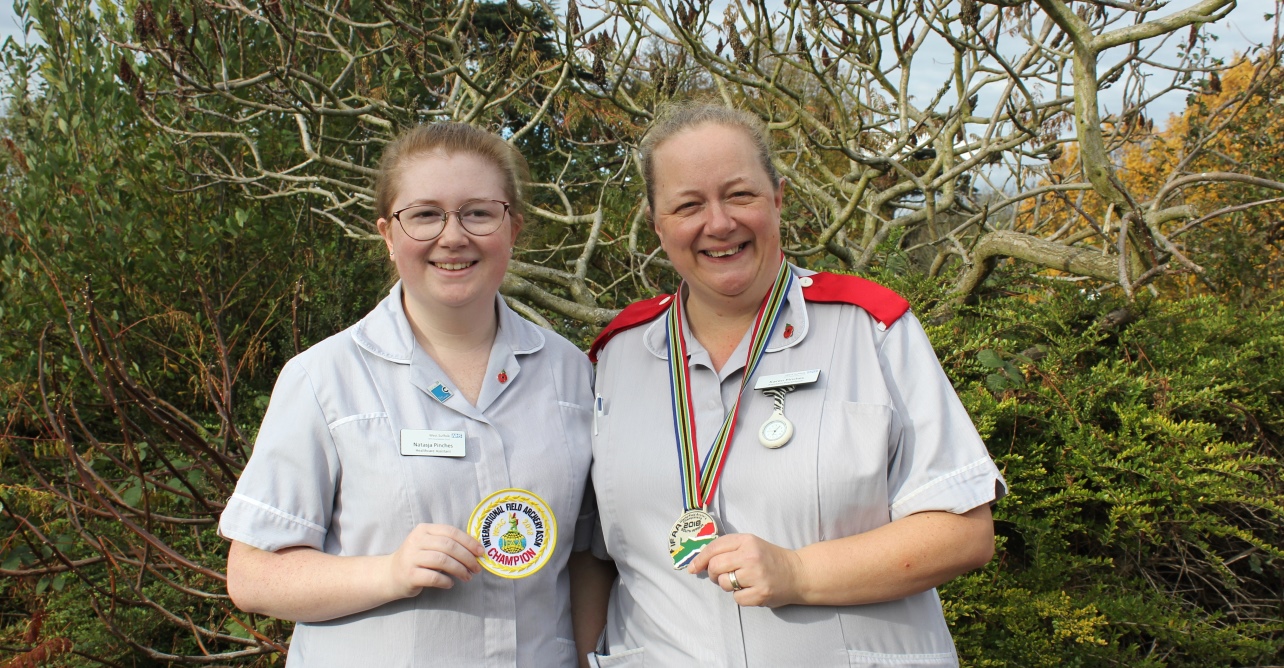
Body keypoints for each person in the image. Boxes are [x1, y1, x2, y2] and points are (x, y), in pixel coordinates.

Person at [583, 103, 1007, 667]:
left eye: (740, 195)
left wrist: (800, 573)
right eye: (688, 205)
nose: (719, 223)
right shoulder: (616, 357)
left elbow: (964, 533)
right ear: (658, 223)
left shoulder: (869, 329)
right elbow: (595, 557)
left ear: (778, 197)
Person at [219, 123, 600, 667]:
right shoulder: (323, 379)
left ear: (512, 228)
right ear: (388, 235)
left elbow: (587, 557)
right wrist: (388, 571)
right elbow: (252, 576)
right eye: (424, 214)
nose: (453, 236)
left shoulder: (570, 372)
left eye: (478, 212)